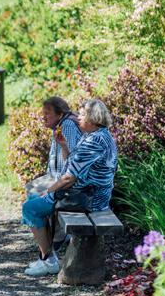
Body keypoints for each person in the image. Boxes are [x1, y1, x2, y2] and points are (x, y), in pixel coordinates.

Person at [22, 98, 118, 277]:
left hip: (87, 199)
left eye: (81, 114)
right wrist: (64, 146)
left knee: (30, 208)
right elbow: (72, 164)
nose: (77, 117)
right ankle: (49, 252)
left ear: (92, 118)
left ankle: (48, 260)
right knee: (35, 200)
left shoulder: (94, 141)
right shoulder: (99, 135)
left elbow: (69, 178)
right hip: (88, 193)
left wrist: (49, 192)